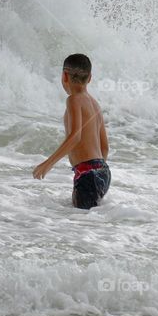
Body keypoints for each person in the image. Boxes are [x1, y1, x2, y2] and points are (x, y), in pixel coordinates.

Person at [32, 53, 110, 209]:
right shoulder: (95, 105)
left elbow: (75, 136)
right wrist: (97, 172)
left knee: (82, 224)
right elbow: (105, 148)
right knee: (83, 220)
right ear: (89, 78)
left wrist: (48, 164)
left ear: (64, 76)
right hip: (103, 172)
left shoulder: (74, 99)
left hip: (87, 174)